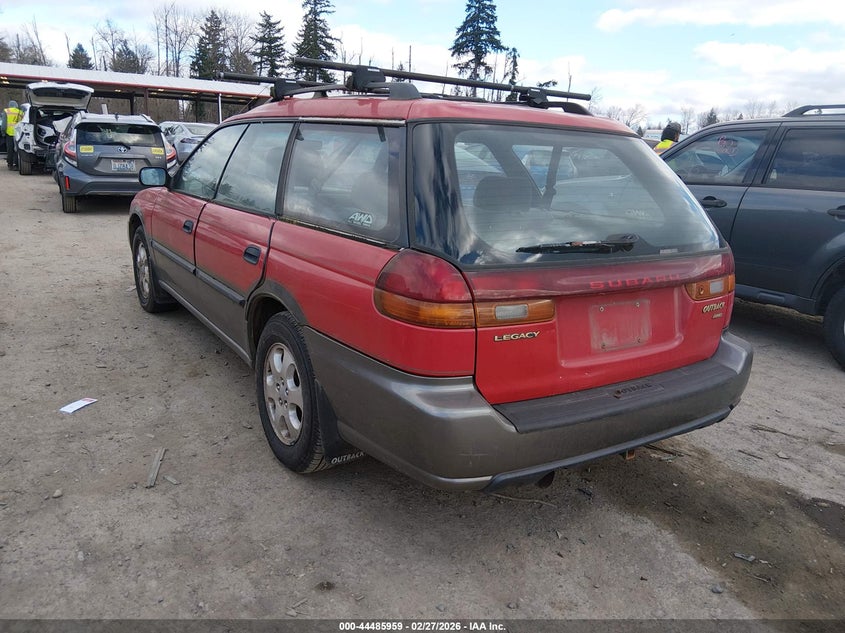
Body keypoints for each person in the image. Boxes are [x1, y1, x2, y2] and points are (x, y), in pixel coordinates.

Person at [3, 99, 23, 169]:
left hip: (9, 133)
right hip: (18, 134)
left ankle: (10, 165)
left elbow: (4, 125)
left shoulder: (6, 111)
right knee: (17, 149)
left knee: (10, 149)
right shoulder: (20, 112)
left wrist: (3, 133)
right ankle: (17, 164)